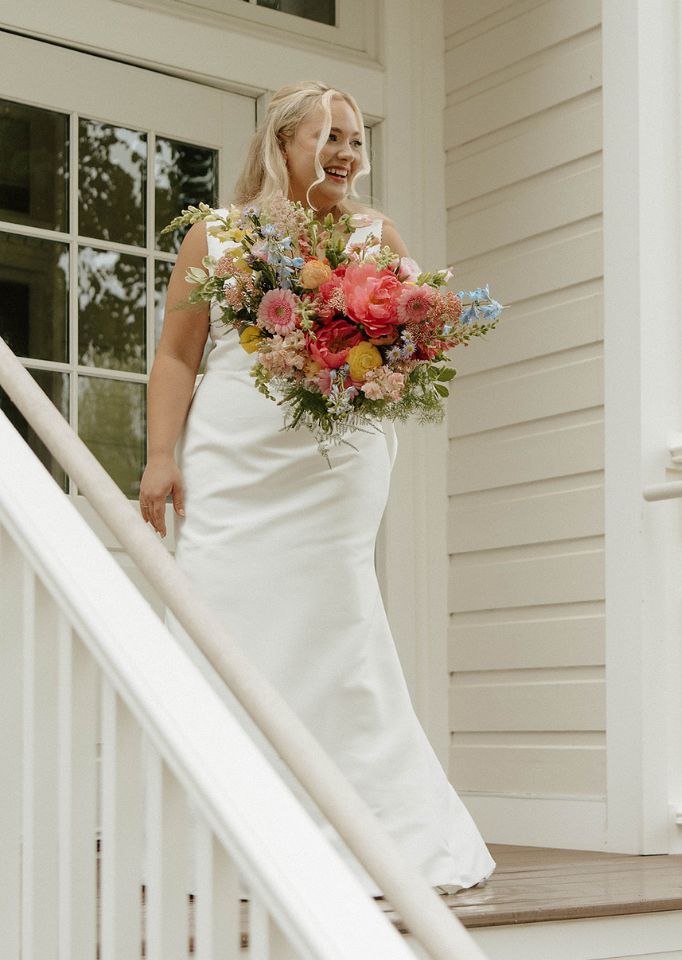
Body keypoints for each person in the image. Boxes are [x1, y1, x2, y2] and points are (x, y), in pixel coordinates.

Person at [138, 80, 496, 898]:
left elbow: (416, 342)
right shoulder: (218, 236)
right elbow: (177, 357)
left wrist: (390, 356)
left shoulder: (376, 236)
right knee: (222, 614)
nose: (345, 152)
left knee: (335, 626)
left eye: (355, 140)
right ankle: (216, 832)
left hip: (335, 467)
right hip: (234, 462)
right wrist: (162, 455)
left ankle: (381, 837)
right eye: (328, 135)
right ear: (282, 143)